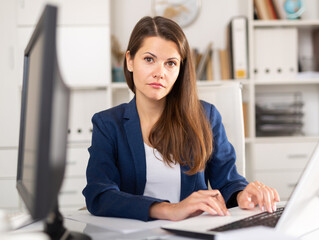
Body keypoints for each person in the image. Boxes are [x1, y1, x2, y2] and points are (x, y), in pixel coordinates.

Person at [82, 16, 279, 222]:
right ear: (130, 60)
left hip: (193, 231)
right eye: (149, 59)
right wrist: (169, 210)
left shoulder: (206, 116)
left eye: (171, 63)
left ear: (180, 69)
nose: (160, 73)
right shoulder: (107, 124)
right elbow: (99, 194)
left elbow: (228, 181)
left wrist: (242, 194)